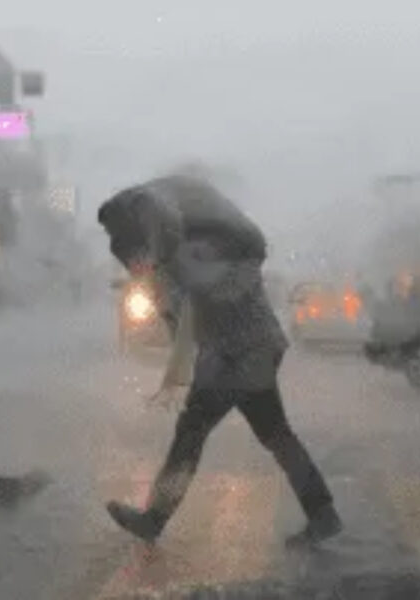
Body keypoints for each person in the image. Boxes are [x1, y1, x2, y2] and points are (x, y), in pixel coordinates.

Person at [97, 174, 342, 546]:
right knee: (276, 435)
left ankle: (155, 519)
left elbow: (204, 293)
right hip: (247, 351)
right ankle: (323, 514)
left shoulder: (195, 251)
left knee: (191, 434)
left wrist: (167, 275)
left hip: (237, 353)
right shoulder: (182, 256)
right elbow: (183, 320)